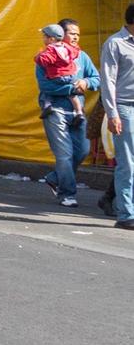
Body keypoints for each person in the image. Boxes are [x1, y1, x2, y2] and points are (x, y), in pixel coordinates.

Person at [37, 18, 99, 207]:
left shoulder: (82, 56)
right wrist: (71, 89)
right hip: (54, 109)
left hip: (76, 110)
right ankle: (67, 194)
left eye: (77, 34)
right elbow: (45, 85)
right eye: (72, 33)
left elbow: (96, 78)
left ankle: (55, 178)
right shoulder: (46, 56)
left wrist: (86, 83)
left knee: (82, 151)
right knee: (64, 153)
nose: (75, 37)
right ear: (60, 35)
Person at [99, 3, 134, 229]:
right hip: (124, 107)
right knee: (128, 162)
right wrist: (112, 114)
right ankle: (126, 214)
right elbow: (108, 81)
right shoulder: (115, 44)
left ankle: (113, 200)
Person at [36, 23, 85, 126]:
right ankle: (79, 112)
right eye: (72, 34)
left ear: (52, 39)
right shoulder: (67, 47)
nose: (43, 39)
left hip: (57, 76)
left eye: (44, 37)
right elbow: (75, 53)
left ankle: (48, 105)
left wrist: (38, 57)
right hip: (71, 76)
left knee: (47, 91)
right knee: (73, 96)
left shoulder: (50, 49)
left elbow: (47, 60)